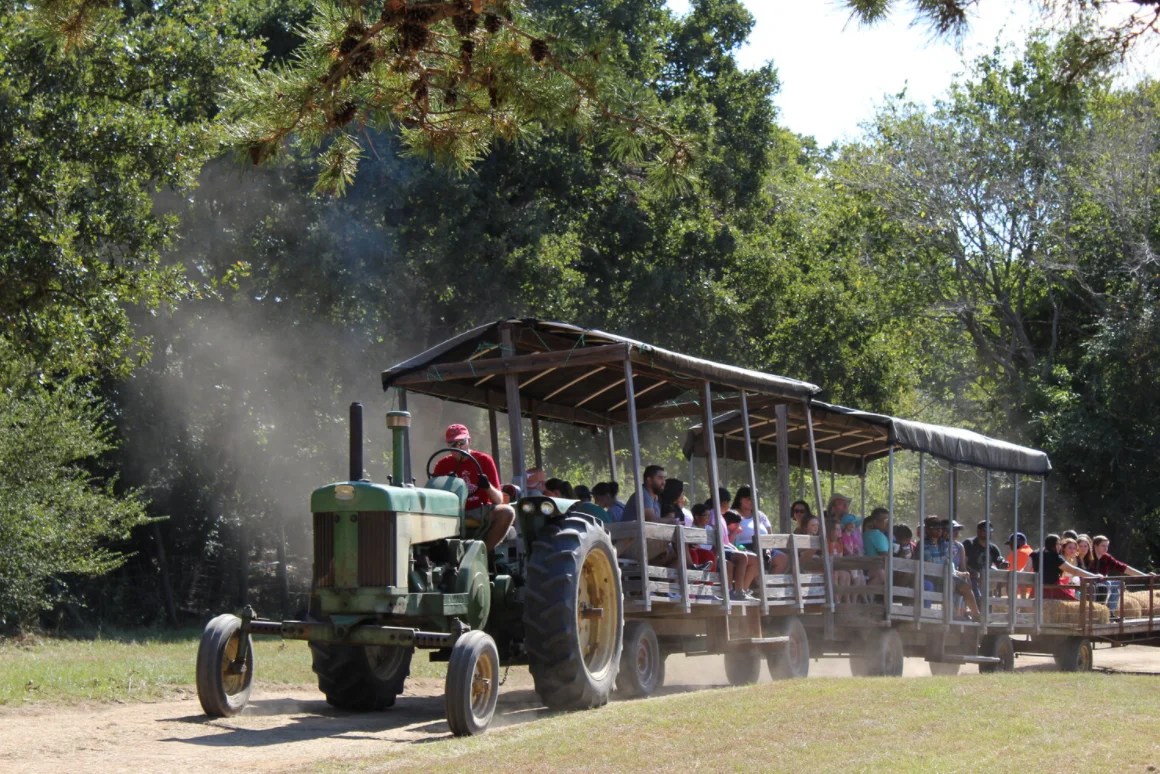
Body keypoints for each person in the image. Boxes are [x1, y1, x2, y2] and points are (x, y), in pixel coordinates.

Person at [432, 423, 514, 551]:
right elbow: (434, 499)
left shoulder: (484, 460)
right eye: (453, 444)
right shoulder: (442, 465)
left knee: (507, 512)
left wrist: (487, 486)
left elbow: (498, 500)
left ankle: (483, 553)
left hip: (479, 511)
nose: (458, 447)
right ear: (448, 446)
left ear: (469, 441)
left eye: (461, 442)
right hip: (452, 513)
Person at [922, 516, 981, 621]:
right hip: (934, 577)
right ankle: (954, 614)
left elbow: (949, 563)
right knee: (952, 583)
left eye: (940, 529)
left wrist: (960, 573)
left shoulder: (945, 545)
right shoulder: (925, 545)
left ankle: (976, 614)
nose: (954, 532)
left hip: (948, 575)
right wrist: (956, 573)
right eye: (938, 529)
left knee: (966, 586)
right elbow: (931, 563)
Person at [1091, 535, 1155, 616]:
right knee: (1107, 584)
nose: (1106, 548)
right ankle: (1099, 611)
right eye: (1103, 546)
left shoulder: (1106, 557)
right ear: (1095, 546)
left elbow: (1123, 567)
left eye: (1107, 546)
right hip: (1092, 583)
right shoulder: (1089, 556)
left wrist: (1144, 575)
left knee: (1119, 584)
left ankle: (1110, 613)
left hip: (1103, 583)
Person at [732, 485, 788, 573]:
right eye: (748, 498)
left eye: (753, 499)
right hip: (742, 548)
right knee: (755, 559)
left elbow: (770, 535)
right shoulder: (733, 514)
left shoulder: (760, 515)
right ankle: (755, 583)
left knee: (782, 558)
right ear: (740, 499)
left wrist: (769, 550)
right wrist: (741, 548)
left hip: (764, 548)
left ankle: (769, 583)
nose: (751, 501)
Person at [964, 520, 1009, 602]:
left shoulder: (993, 548)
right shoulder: (969, 544)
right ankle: (978, 613)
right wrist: (971, 572)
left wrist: (1004, 564)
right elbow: (962, 563)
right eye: (985, 531)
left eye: (990, 531)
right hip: (971, 577)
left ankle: (996, 602)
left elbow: (999, 562)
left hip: (987, 580)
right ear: (978, 531)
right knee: (978, 597)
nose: (988, 533)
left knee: (989, 598)